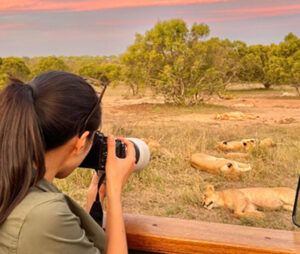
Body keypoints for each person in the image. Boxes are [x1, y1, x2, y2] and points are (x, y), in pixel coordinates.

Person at [0, 71, 136, 254]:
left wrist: (93, 202)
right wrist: (114, 192)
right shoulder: (44, 215)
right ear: (81, 142)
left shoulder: (14, 184)